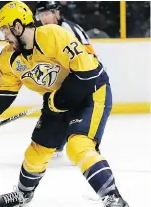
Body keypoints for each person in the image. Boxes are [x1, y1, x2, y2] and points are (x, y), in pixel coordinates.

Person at [0, 1, 129, 207]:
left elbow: (87, 74)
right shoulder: (9, 58)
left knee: (78, 146)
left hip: (91, 93)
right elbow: (2, 94)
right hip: (57, 98)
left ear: (18, 26)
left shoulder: (53, 35)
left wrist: (58, 100)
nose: (3, 37)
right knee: (37, 151)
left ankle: (113, 198)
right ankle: (23, 194)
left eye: (5, 30)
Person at [35, 1, 97, 159]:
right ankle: (57, 145)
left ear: (57, 13)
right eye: (41, 15)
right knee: (60, 110)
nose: (44, 18)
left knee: (76, 112)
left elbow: (89, 54)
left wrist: (76, 78)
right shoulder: (41, 32)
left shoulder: (68, 29)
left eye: (47, 14)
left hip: (81, 77)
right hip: (64, 79)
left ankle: (86, 147)